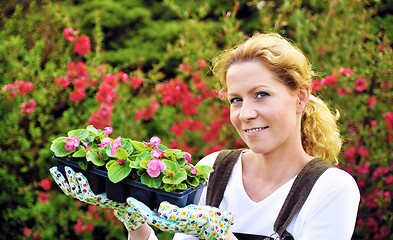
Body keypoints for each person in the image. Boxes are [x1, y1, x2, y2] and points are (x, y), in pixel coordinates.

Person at [50, 32, 360, 240]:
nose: (245, 112)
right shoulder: (215, 170)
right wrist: (136, 222)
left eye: (261, 94)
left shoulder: (330, 189)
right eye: (236, 99)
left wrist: (220, 236)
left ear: (301, 97)